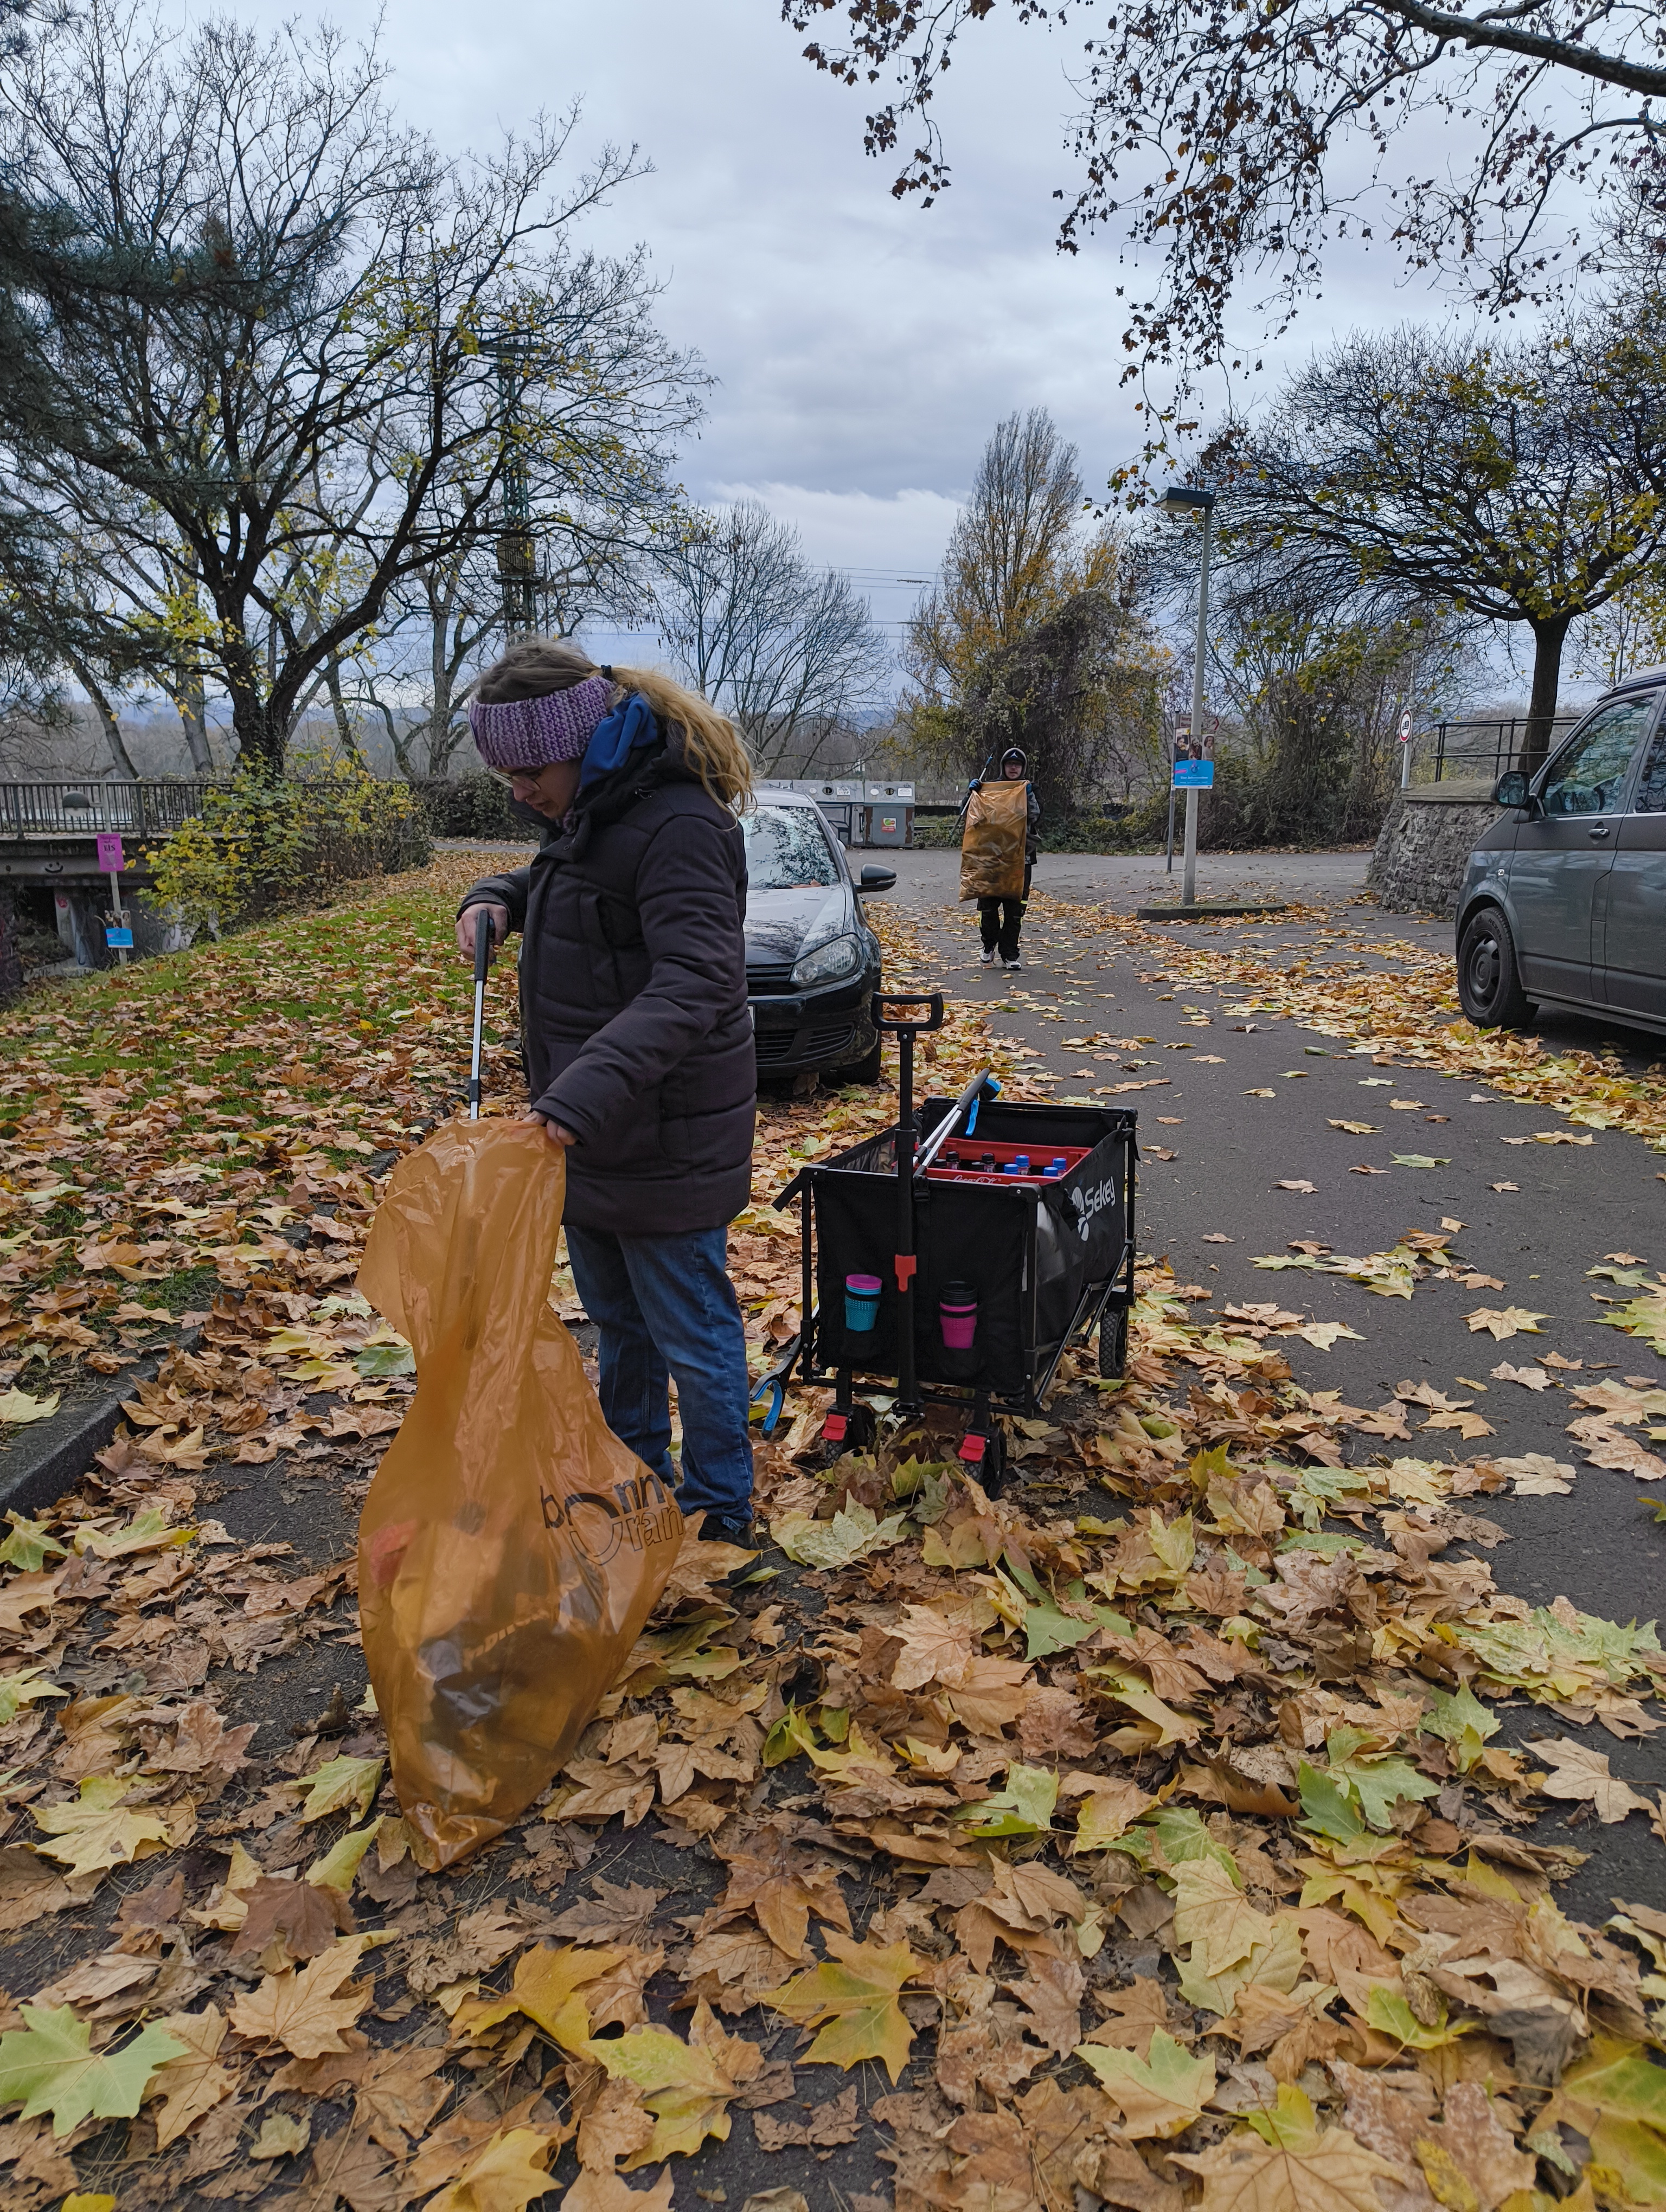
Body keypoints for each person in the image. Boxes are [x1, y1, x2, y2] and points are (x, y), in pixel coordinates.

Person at [454, 639, 759, 1548]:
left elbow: (696, 981)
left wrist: (572, 1101)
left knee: (693, 1338)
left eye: (528, 772)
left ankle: (721, 1516)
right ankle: (635, 1494)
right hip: (591, 1135)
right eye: (505, 776)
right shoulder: (598, 807)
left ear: (581, 742)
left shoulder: (681, 824)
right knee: (621, 1327)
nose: (519, 793)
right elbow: (577, 880)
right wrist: (497, 895)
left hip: (663, 1142)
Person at [973, 746, 1041, 970]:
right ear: (1003, 766)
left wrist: (1028, 795)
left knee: (1015, 911)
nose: (1014, 768)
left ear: (1023, 768)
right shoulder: (991, 788)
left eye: (1018, 765)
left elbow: (1035, 816)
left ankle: (1010, 954)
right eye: (1010, 764)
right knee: (988, 907)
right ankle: (988, 945)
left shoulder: (1030, 789)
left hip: (1021, 859)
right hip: (992, 858)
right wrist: (973, 793)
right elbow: (972, 815)